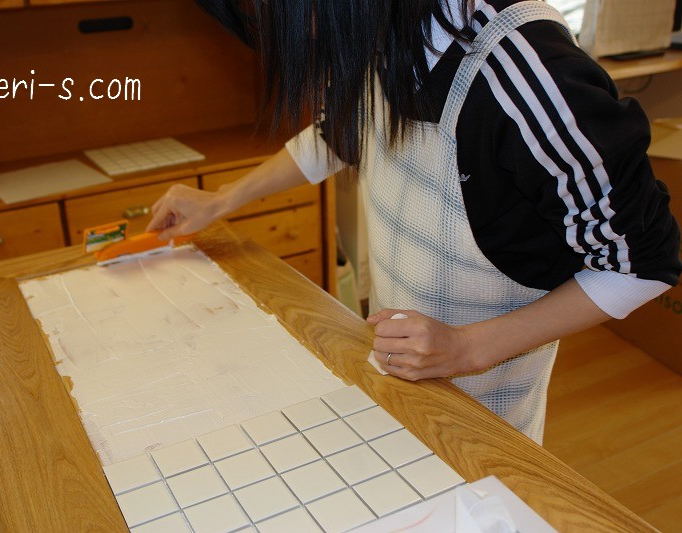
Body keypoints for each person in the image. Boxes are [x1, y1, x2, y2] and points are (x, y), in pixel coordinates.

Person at [148, 0, 681, 443]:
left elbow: (642, 261)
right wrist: (221, 199)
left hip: (490, 408)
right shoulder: (383, 33)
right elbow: (341, 131)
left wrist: (467, 348)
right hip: (397, 374)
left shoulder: (525, 71)